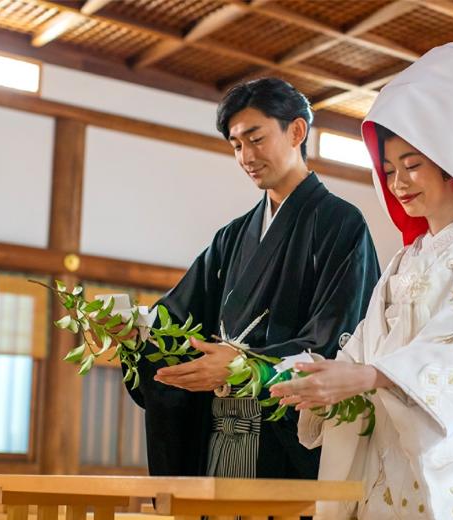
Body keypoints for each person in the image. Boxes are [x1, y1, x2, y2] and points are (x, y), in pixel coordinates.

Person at [270, 43, 453, 519]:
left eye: (412, 165)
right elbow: (365, 348)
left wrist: (367, 377)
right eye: (388, 171)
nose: (398, 183)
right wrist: (319, 377)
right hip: (392, 453)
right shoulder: (405, 261)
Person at [124, 77, 381, 480]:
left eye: (256, 139)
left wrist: (246, 366)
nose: (246, 156)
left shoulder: (341, 224)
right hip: (220, 437)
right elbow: (177, 318)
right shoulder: (232, 237)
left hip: (288, 440)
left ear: (296, 131)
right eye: (236, 145)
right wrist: (136, 332)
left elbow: (338, 337)